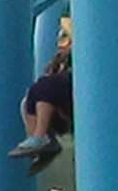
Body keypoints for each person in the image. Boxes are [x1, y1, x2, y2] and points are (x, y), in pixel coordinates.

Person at [8, 34, 75, 173]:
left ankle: (40, 137)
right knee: (29, 98)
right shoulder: (62, 61)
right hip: (63, 109)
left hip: (75, 100)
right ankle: (39, 139)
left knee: (46, 85)